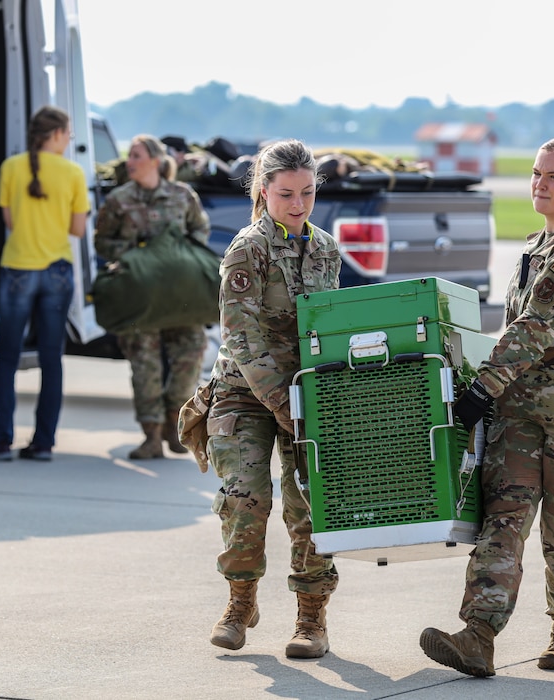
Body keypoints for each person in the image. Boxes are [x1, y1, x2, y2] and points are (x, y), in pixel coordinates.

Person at [419, 135, 554, 677]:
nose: (539, 184)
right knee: (502, 521)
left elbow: (534, 331)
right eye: (536, 174)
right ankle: (478, 635)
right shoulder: (537, 247)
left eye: (553, 177)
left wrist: (480, 391)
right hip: (521, 413)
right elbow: (514, 331)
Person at [204, 139, 342, 658]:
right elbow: (242, 338)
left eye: (307, 193)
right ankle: (240, 602)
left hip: (306, 394)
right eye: (287, 194)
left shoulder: (326, 248)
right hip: (244, 393)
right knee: (245, 498)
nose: (299, 204)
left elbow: (330, 327)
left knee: (310, 504)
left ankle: (312, 619)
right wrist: (280, 403)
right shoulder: (247, 249)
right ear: (264, 192)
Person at [0, 106, 90, 462]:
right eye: (68, 133)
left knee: (7, 358)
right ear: (55, 134)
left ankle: (0, 439)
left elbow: (8, 219)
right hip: (56, 270)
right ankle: (43, 443)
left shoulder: (10, 167)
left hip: (17, 269)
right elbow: (77, 230)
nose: (70, 140)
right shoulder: (72, 172)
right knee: (51, 358)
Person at [94, 134, 211, 459]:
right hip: (140, 295)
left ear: (156, 161)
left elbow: (199, 230)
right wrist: (137, 254)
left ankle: (174, 425)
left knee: (190, 355)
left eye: (135, 155)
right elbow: (102, 242)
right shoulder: (119, 200)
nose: (128, 161)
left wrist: (178, 256)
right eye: (129, 155)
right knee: (144, 365)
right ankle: (151, 437)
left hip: (178, 296)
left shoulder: (181, 195)